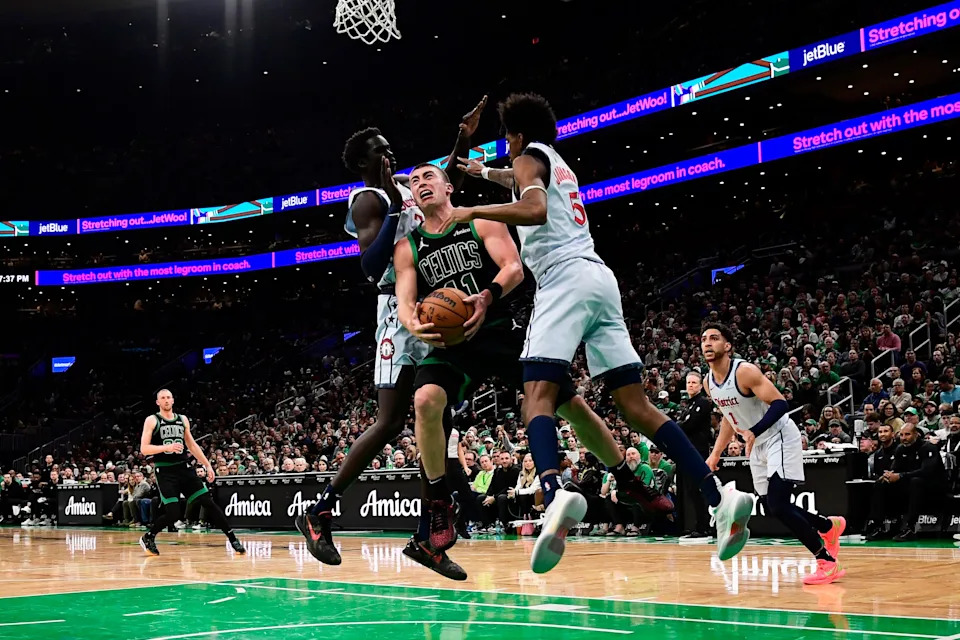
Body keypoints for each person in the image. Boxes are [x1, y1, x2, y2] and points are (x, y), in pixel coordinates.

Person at [447, 93, 752, 573]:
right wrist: (471, 162)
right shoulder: (553, 161)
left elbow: (533, 210)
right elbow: (504, 177)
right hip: (600, 280)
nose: (506, 148)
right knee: (637, 406)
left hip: (563, 278)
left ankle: (553, 496)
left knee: (536, 395)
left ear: (518, 135)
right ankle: (719, 499)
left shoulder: (529, 159)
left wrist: (468, 212)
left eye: (507, 137)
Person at [393, 162, 664, 578]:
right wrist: (417, 327)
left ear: (448, 187)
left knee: (568, 405)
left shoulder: (480, 219)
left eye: (429, 177)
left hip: (499, 330)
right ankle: (438, 505)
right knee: (425, 399)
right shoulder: (408, 246)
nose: (421, 184)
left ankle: (627, 477)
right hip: (452, 343)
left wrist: (486, 297)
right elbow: (407, 305)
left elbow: (514, 267)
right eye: (414, 181)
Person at [295, 97, 487, 564]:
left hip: (429, 304)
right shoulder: (370, 199)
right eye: (381, 151)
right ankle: (320, 511)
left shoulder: (401, 189)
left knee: (435, 422)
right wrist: (395, 205)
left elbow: (447, 185)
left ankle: (428, 533)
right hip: (395, 313)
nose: (392, 156)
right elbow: (369, 262)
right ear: (364, 162)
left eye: (390, 148)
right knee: (389, 421)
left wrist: (463, 138)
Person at [701, 323, 846, 586]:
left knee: (778, 504)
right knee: (771, 507)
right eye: (704, 339)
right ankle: (827, 527)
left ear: (728, 345)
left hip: (778, 435)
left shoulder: (744, 371)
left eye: (714, 338)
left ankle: (826, 562)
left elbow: (780, 403)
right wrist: (715, 455)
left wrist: (754, 431)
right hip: (756, 442)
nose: (708, 343)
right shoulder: (709, 383)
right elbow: (727, 418)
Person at [138, 389, 245, 556]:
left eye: (168, 397)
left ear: (173, 400)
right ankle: (149, 537)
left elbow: (192, 445)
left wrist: (207, 465)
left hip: (183, 468)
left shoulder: (182, 420)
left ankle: (233, 539)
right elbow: (144, 449)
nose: (166, 400)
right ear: (157, 402)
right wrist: (167, 447)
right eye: (162, 398)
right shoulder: (152, 420)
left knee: (207, 502)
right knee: (174, 513)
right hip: (165, 470)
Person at [867, 422, 948, 541]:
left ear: (916, 435)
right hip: (910, 483)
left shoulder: (928, 447)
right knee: (881, 483)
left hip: (933, 486)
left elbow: (926, 472)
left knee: (916, 482)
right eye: (902, 435)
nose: (904, 438)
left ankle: (910, 528)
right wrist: (888, 475)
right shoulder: (900, 449)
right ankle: (878, 526)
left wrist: (900, 476)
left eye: (907, 434)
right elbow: (895, 469)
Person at [678, 371, 714, 538]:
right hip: (687, 451)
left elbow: (689, 424)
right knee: (691, 490)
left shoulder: (703, 403)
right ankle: (698, 526)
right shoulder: (688, 405)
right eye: (688, 382)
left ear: (700, 385)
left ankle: (704, 527)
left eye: (694, 382)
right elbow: (683, 423)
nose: (690, 385)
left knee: (698, 489)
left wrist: (677, 426)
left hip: (698, 451)